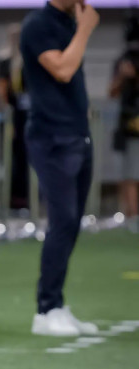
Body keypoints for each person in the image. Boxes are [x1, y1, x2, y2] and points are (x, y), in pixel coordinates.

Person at [20, 0, 100, 337]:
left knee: (72, 222)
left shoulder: (69, 23)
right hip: (51, 137)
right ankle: (46, 309)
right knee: (62, 220)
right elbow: (63, 69)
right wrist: (85, 30)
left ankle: (57, 303)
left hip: (77, 134)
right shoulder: (38, 25)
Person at [109, 16, 139, 233]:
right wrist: (122, 76)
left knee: (134, 174)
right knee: (125, 174)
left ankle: (134, 216)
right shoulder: (122, 61)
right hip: (126, 127)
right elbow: (112, 92)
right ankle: (129, 215)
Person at [0, 23, 30, 210]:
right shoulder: (5, 60)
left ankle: (27, 196)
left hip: (29, 114)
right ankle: (12, 197)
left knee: (28, 156)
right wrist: (5, 111)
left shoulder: (31, 59)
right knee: (12, 156)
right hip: (13, 114)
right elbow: (1, 88)